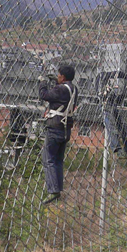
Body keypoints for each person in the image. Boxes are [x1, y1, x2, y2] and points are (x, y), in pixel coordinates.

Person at [39, 64, 78, 205]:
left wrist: (43, 82)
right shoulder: (74, 89)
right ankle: (58, 187)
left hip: (55, 128)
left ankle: (53, 190)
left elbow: (44, 95)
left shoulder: (60, 89)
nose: (57, 77)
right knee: (58, 160)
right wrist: (56, 82)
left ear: (63, 77)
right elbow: (61, 95)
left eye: (59, 75)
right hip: (65, 129)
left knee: (48, 159)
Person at [97, 70, 127, 159]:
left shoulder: (110, 91)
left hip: (112, 106)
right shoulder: (101, 79)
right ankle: (118, 150)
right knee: (111, 127)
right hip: (105, 106)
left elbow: (119, 100)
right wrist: (126, 76)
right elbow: (114, 74)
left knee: (123, 127)